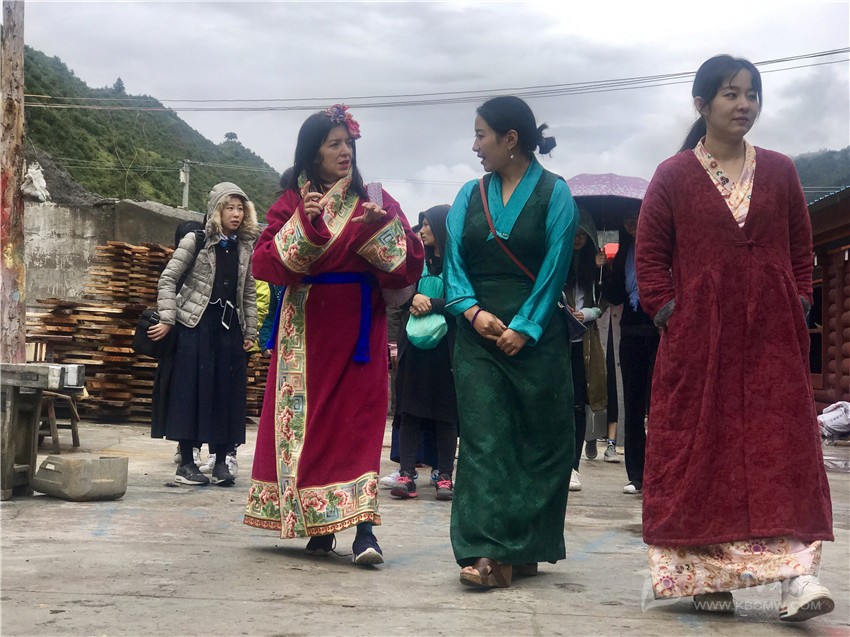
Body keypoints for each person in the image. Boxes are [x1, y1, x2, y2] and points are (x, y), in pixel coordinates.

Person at [636, 54, 834, 620]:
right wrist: (672, 313)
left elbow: (801, 247)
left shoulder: (780, 170)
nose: (744, 104)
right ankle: (706, 574)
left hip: (773, 337)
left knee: (782, 449)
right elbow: (650, 258)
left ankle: (796, 579)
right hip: (700, 339)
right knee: (702, 450)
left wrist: (797, 302)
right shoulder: (673, 175)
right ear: (701, 104)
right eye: (731, 93)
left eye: (751, 94)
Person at [242, 105, 424, 566]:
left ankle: (365, 532)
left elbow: (408, 266)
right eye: (334, 144)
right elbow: (264, 263)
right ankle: (318, 526)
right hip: (307, 331)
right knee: (311, 428)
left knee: (360, 424)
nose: (346, 152)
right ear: (313, 153)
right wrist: (304, 224)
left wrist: (382, 229)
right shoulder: (291, 200)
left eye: (349, 143)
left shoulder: (373, 199)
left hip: (361, 327)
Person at [444, 95, 577, 589]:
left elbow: (556, 265)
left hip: (536, 338)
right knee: (485, 440)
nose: (475, 146)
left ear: (511, 139)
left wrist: (525, 326)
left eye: (481, 135)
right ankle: (487, 552)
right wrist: (472, 312)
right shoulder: (468, 195)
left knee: (541, 442)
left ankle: (526, 547)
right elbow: (452, 262)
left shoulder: (556, 193)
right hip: (477, 336)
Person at [149, 182, 259, 487]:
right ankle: (186, 463)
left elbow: (248, 292)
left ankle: (221, 462)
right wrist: (168, 318)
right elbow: (168, 279)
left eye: (240, 208)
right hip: (194, 326)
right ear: (216, 210)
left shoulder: (245, 246)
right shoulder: (195, 239)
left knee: (227, 393)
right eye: (229, 207)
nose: (236, 214)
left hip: (229, 329)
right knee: (190, 392)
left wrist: (250, 331)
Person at [391, 205, 459, 501]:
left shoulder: (458, 265)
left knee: (446, 412)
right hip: (414, 349)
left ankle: (445, 475)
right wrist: (413, 299)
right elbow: (398, 295)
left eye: (428, 224)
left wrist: (433, 303)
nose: (422, 230)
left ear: (442, 228)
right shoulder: (416, 262)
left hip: (445, 351)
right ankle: (406, 474)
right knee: (409, 410)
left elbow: (465, 302)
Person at [602, 212, 656, 494]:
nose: (631, 222)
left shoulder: (661, 246)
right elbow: (614, 296)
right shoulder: (623, 253)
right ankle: (636, 474)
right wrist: (607, 268)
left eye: (636, 216)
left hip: (659, 332)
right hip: (632, 332)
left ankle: (659, 474)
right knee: (633, 406)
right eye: (626, 220)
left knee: (658, 406)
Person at [564, 209, 608, 492]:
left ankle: (573, 466)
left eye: (583, 234)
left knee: (579, 405)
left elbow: (606, 299)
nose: (578, 238)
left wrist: (590, 313)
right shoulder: (559, 260)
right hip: (558, 341)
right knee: (558, 403)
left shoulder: (597, 267)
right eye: (574, 233)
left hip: (585, 343)